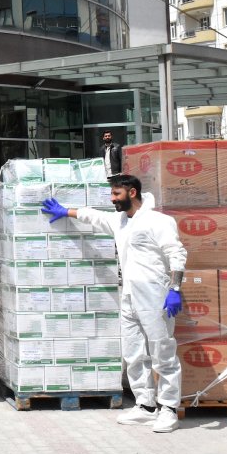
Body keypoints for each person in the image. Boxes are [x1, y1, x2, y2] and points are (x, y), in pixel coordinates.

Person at [41, 174, 187, 433]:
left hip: (154, 294)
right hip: (129, 294)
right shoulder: (121, 221)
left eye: (116, 194)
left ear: (132, 193)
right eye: (111, 194)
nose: (112, 199)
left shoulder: (158, 221)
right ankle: (145, 404)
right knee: (133, 352)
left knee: (162, 351)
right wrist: (66, 211)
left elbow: (176, 253)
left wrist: (175, 288)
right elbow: (94, 216)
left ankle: (168, 408)